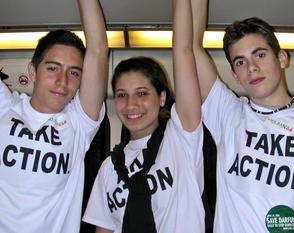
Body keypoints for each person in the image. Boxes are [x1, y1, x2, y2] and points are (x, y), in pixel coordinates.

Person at [192, 0, 294, 232]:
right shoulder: (228, 114)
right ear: (235, 75)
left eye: (259, 55)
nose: (251, 67)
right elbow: (192, 48)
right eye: (241, 62)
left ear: (282, 59)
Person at [82, 0, 205, 232]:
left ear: (161, 97)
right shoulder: (109, 168)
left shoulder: (182, 138)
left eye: (141, 93)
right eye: (121, 95)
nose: (131, 105)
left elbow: (184, 50)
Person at [0, 0, 108, 232]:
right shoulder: (5, 108)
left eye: (73, 72)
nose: (63, 80)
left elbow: (98, 50)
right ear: (32, 71)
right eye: (52, 68)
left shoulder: (79, 123)